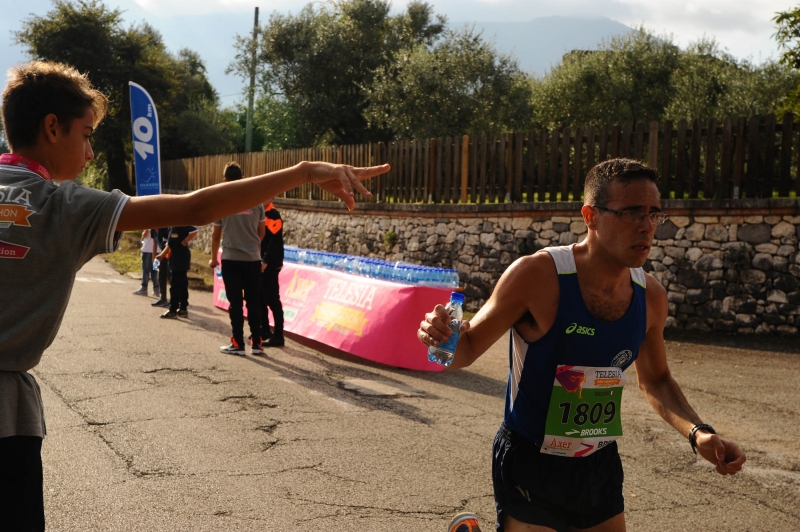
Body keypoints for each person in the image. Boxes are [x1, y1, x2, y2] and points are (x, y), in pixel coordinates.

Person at [0, 60, 388, 531]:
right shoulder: (68, 206)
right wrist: (303, 170)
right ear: (52, 128)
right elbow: (197, 207)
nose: (90, 152)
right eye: (86, 135)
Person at [418, 158, 746, 532]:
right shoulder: (536, 276)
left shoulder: (651, 296)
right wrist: (439, 334)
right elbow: (466, 348)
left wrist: (698, 432)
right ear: (591, 216)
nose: (647, 226)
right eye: (632, 213)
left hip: (597, 464)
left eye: (654, 213)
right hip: (531, 460)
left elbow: (655, 380)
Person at [209, 162, 266, 356]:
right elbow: (262, 232)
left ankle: (237, 343)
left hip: (231, 259)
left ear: (225, 180)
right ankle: (257, 342)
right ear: (243, 179)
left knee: (235, 303)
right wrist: (251, 246)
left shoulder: (221, 202)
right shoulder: (257, 201)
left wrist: (213, 258)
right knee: (253, 302)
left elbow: (216, 236)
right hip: (253, 259)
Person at [156, 225, 197, 318]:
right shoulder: (171, 227)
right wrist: (161, 255)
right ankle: (183, 309)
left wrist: (186, 240)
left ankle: (173, 310)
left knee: (176, 284)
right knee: (182, 284)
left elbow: (195, 230)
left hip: (181, 257)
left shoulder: (181, 223)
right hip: (175, 257)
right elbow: (169, 244)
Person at [259, 197, 285, 348]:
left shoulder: (273, 215)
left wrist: (265, 261)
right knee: (260, 298)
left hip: (271, 263)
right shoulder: (258, 212)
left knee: (272, 299)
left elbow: (274, 241)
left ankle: (278, 335)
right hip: (259, 261)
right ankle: (264, 330)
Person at [133, 228, 159, 297]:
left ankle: (144, 288)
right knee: (155, 270)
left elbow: (146, 233)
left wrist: (142, 238)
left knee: (146, 269)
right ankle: (156, 289)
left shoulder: (150, 223)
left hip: (148, 249)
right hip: (158, 250)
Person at [151, 227, 171, 307]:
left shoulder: (165, 228)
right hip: (162, 254)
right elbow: (154, 243)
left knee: (170, 277)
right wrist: (153, 259)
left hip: (170, 253)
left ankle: (174, 300)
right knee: (161, 276)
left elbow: (170, 243)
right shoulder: (153, 230)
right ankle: (163, 298)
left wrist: (163, 254)